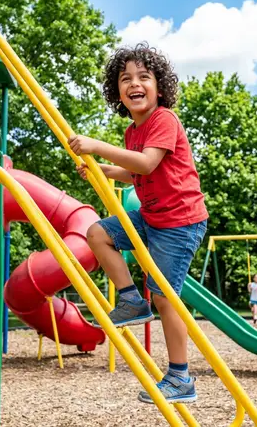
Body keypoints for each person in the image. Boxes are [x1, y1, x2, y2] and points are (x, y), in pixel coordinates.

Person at [68, 44, 208, 404]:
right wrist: (104, 171)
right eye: (125, 78)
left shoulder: (164, 120)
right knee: (98, 233)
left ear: (159, 87)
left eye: (144, 77)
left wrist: (97, 147)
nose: (135, 83)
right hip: (151, 217)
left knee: (164, 296)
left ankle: (180, 378)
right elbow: (135, 173)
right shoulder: (133, 131)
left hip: (179, 222)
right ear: (118, 92)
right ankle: (130, 300)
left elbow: (147, 165)